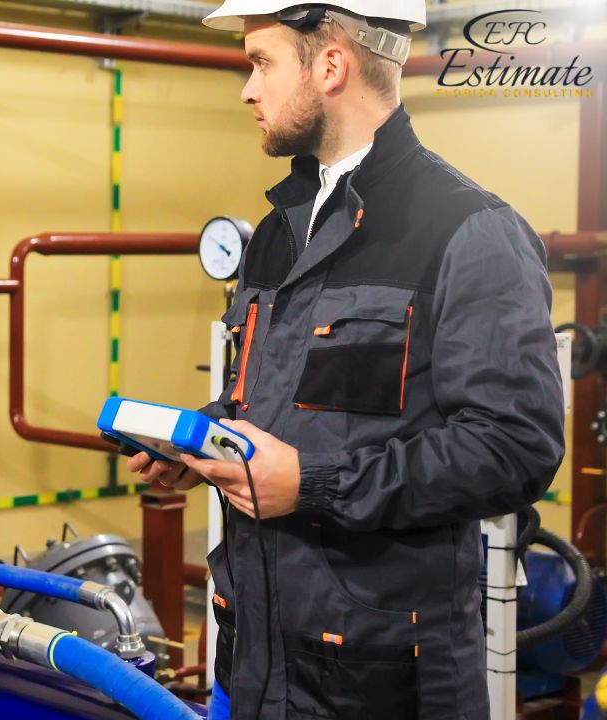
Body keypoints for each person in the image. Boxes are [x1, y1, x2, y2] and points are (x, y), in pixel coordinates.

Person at [127, 2, 566, 718]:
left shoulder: (468, 229)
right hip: (256, 664)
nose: (247, 90)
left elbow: (515, 449)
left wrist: (314, 485)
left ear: (331, 65)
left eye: (261, 63)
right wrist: (205, 442)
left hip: (381, 681)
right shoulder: (278, 231)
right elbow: (281, 403)